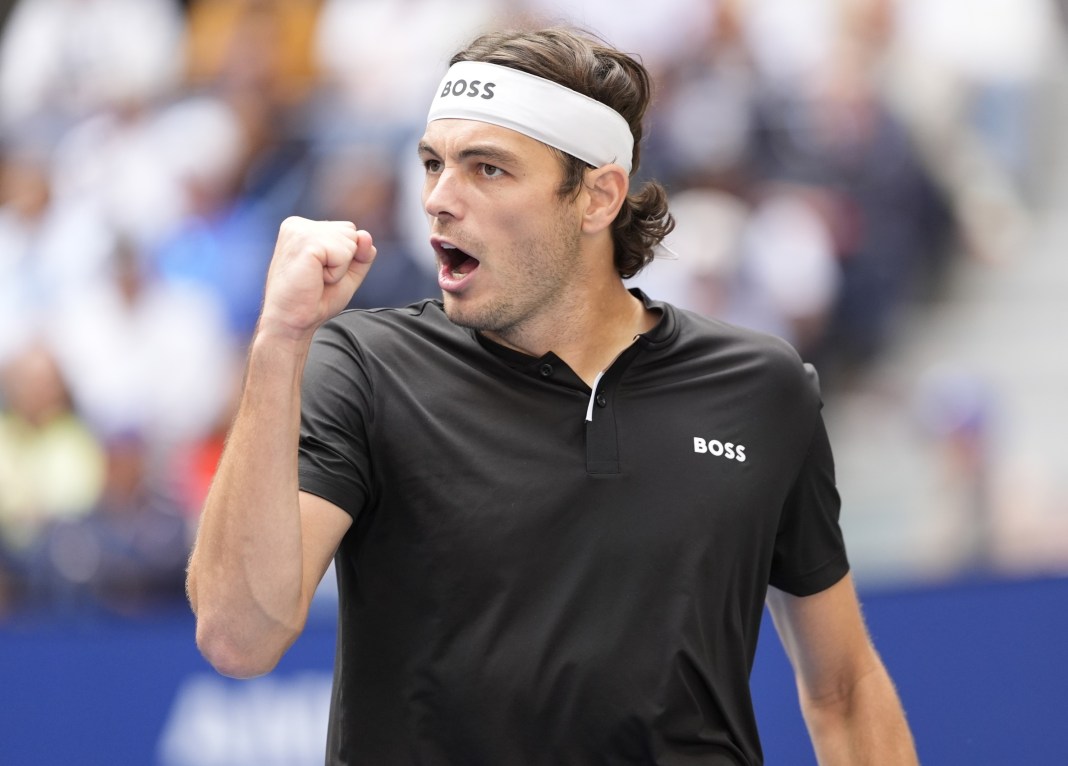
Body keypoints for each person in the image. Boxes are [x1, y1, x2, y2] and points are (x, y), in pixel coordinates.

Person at [186, 26, 919, 765]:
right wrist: (279, 340)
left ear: (598, 195)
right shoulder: (362, 365)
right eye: (433, 164)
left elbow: (844, 691)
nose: (440, 199)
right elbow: (238, 636)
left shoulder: (763, 388)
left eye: (488, 170)